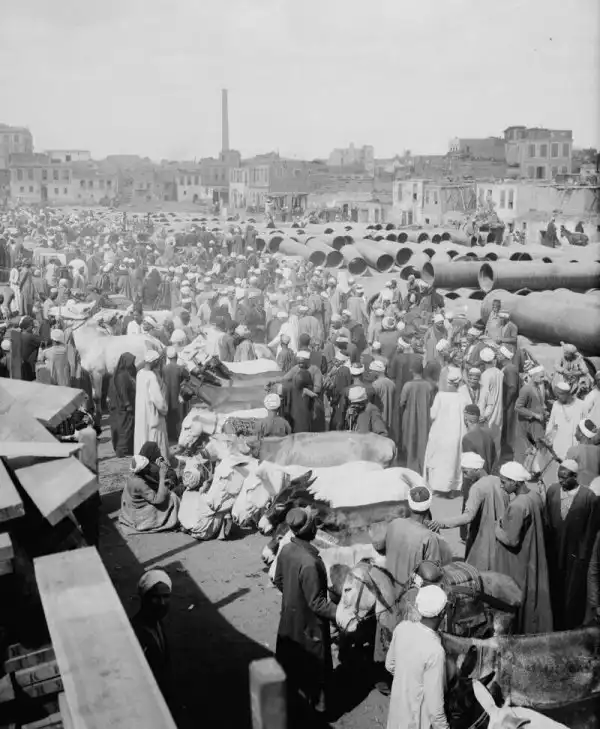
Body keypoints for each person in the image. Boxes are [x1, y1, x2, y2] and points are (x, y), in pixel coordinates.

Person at [273, 507, 337, 716]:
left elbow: (278, 580)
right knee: (313, 667)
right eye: (314, 525)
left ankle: (293, 705)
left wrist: (294, 597)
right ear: (310, 530)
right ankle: (318, 711)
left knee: (292, 663)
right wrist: (341, 612)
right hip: (311, 627)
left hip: (289, 620)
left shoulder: (286, 550)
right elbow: (317, 603)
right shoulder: (310, 562)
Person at [494, 461, 553, 634]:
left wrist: (497, 528)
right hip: (533, 554)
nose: (501, 485)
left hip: (519, 561)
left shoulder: (517, 505)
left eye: (504, 482)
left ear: (515, 482)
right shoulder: (534, 496)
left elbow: (511, 540)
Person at [544, 459, 598, 630]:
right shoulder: (552, 491)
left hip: (575, 555)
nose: (561, 481)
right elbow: (547, 520)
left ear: (575, 477)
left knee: (573, 593)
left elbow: (590, 531)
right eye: (559, 477)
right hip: (555, 552)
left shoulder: (588, 497)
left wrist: (583, 556)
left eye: (565, 477)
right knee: (555, 588)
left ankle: (571, 628)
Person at [385, 585, 450, 729]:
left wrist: (409, 682)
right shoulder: (435, 651)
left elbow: (389, 665)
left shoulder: (402, 628)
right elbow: (435, 709)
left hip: (396, 716)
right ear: (443, 613)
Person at [432, 452, 507, 571]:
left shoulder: (477, 488)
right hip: (500, 535)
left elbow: (468, 517)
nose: (465, 476)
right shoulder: (498, 480)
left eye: (466, 472)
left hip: (483, 538)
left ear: (476, 469)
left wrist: (442, 523)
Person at [386, 486, 453, 588]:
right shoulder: (429, 537)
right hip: (410, 591)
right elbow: (432, 574)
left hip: (389, 584)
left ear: (409, 504)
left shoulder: (394, 524)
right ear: (429, 506)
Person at [132, 570, 173, 700]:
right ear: (144, 599)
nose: (162, 603)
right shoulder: (135, 635)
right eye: (156, 597)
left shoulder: (157, 623)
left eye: (166, 596)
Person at [424, 367, 465, 495]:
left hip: (440, 434)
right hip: (456, 435)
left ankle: (436, 486)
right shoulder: (462, 397)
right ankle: (452, 488)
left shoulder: (440, 396)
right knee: (453, 462)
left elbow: (432, 415)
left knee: (437, 460)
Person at [119, 453, 179, 534]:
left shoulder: (133, 476)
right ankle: (170, 520)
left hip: (133, 505)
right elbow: (158, 500)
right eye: (147, 466)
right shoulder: (138, 483)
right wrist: (162, 476)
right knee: (172, 497)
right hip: (139, 513)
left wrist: (162, 482)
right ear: (142, 470)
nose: (149, 467)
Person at [134, 350, 169, 461]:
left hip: (141, 413)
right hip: (152, 414)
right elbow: (157, 399)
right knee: (154, 438)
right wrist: (164, 409)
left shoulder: (139, 374)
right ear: (154, 362)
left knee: (142, 436)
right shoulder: (151, 376)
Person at [399, 359, 433, 473]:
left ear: (412, 371)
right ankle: (423, 470)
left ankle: (411, 470)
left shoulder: (407, 385)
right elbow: (432, 403)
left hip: (410, 419)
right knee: (424, 444)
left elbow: (402, 403)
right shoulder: (428, 386)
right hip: (425, 420)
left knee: (410, 444)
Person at [514, 365, 550, 464]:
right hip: (529, 424)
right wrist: (535, 415)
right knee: (530, 450)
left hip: (537, 423)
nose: (543, 379)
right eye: (541, 376)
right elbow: (518, 407)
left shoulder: (536, 387)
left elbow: (538, 403)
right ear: (533, 376)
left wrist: (544, 412)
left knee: (540, 448)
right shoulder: (526, 389)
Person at [109, 352, 137, 457]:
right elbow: (122, 391)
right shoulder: (122, 376)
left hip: (122, 406)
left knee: (126, 427)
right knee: (124, 428)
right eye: (131, 362)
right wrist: (127, 404)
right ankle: (122, 449)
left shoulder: (125, 373)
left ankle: (126, 448)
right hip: (123, 407)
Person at [477, 347, 503, 456]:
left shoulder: (485, 375)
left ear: (482, 361)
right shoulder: (500, 373)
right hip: (499, 411)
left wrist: (482, 414)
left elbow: (484, 398)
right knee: (497, 441)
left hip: (488, 413)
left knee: (486, 443)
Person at [163, 347, 190, 443]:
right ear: (177, 356)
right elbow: (188, 378)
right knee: (179, 416)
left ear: (168, 357)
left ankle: (169, 435)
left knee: (169, 416)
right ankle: (178, 436)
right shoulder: (180, 368)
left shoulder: (164, 369)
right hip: (178, 396)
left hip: (167, 397)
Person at [462, 403, 497, 475]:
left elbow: (468, 467)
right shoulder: (488, 433)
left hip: (476, 478)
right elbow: (494, 458)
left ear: (465, 419)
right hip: (488, 476)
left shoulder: (467, 438)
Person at [566, 419, 600, 486]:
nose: (574, 434)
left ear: (581, 434)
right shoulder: (598, 450)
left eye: (576, 430)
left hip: (580, 489)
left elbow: (566, 473)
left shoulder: (573, 450)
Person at [369, 360, 396, 434]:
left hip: (379, 419)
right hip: (390, 419)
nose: (370, 373)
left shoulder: (375, 384)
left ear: (376, 372)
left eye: (371, 371)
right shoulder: (392, 383)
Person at [19, 315, 41, 381]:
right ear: (28, 326)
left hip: (22, 364)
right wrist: (37, 330)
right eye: (32, 326)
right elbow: (44, 342)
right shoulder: (30, 336)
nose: (32, 327)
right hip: (29, 366)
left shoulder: (21, 334)